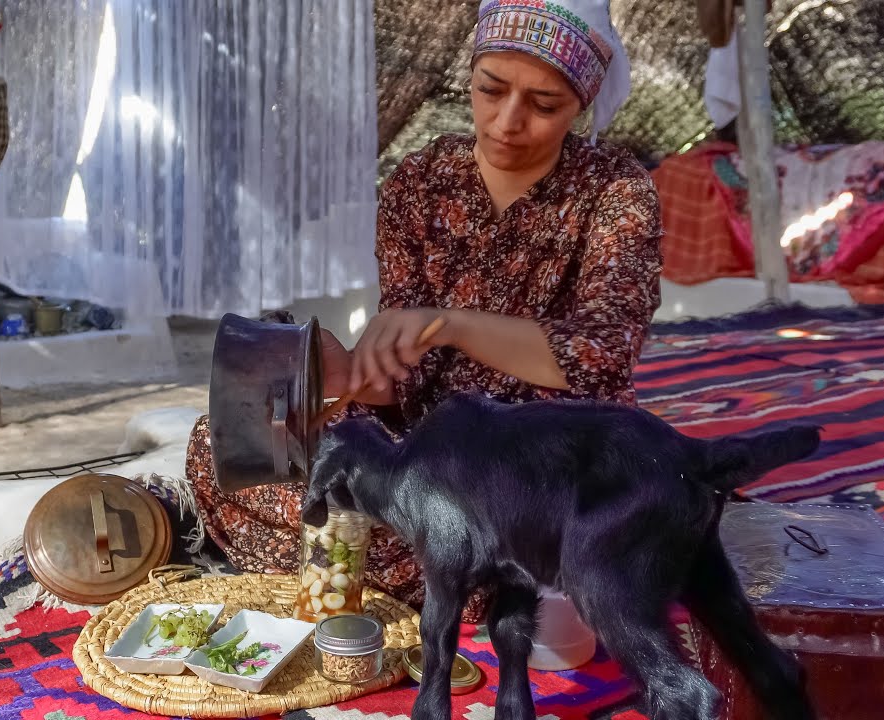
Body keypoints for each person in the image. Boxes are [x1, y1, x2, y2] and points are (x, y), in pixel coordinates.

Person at [188, 0, 663, 623]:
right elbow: (403, 376)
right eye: (489, 89)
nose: (507, 120)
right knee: (222, 449)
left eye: (544, 105)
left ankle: (485, 576)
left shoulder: (615, 192)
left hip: (550, 467)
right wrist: (351, 377)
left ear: (581, 106)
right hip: (431, 458)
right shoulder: (422, 180)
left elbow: (602, 356)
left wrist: (454, 324)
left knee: (497, 518)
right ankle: (459, 575)